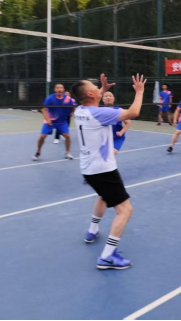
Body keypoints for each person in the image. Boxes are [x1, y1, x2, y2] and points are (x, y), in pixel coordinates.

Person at [72, 73, 146, 270]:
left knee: (103, 197)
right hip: (103, 170)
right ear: (90, 94)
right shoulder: (101, 114)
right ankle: (107, 256)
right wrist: (139, 92)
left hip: (88, 169)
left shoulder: (80, 110)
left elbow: (91, 100)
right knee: (125, 210)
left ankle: (92, 230)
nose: (98, 87)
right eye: (94, 87)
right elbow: (134, 112)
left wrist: (102, 90)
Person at [33, 84, 74, 161]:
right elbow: (44, 110)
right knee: (42, 136)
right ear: (55, 90)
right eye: (57, 88)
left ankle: (67, 152)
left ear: (63, 90)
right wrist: (48, 120)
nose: (59, 89)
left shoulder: (67, 99)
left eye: (61, 88)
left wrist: (72, 112)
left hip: (62, 121)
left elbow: (74, 105)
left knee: (67, 136)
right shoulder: (50, 98)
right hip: (50, 120)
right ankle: (38, 151)